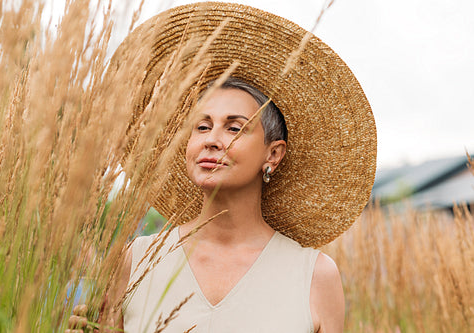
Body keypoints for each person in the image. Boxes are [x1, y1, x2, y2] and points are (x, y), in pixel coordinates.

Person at [67, 2, 377, 333]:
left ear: (273, 154)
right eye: (201, 126)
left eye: (234, 128)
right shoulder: (136, 261)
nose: (211, 140)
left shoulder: (314, 276)